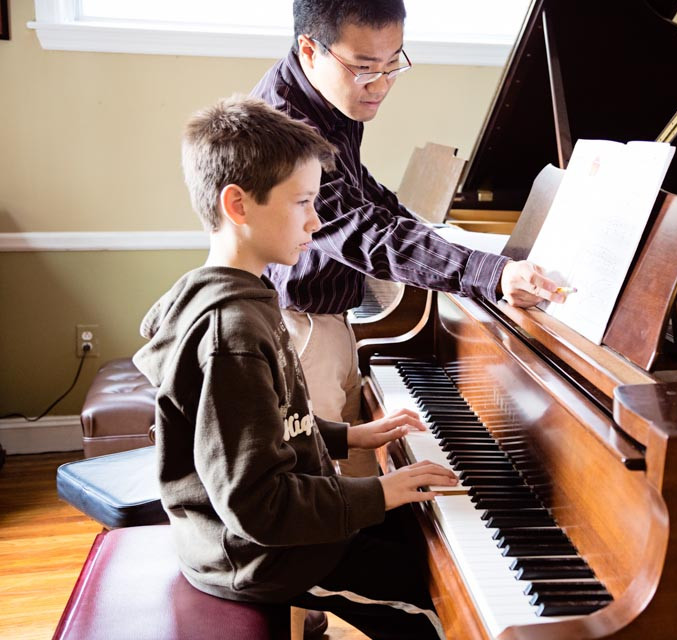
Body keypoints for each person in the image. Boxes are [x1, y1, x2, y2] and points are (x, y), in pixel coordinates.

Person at [133, 95, 457, 640]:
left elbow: (265, 426)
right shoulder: (231, 335)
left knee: (419, 530)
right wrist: (380, 492)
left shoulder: (243, 295)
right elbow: (257, 504)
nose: (316, 219)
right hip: (262, 558)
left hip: (280, 530)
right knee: (438, 611)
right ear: (238, 205)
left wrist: (347, 436)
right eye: (303, 201)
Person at [251, 0, 565, 476]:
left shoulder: (325, 92)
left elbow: (358, 189)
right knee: (323, 490)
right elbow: (360, 231)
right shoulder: (289, 129)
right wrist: (488, 272)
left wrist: (440, 236)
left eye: (393, 63)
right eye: (364, 68)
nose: (380, 85)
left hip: (326, 317)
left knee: (356, 477)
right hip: (301, 328)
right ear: (310, 50)